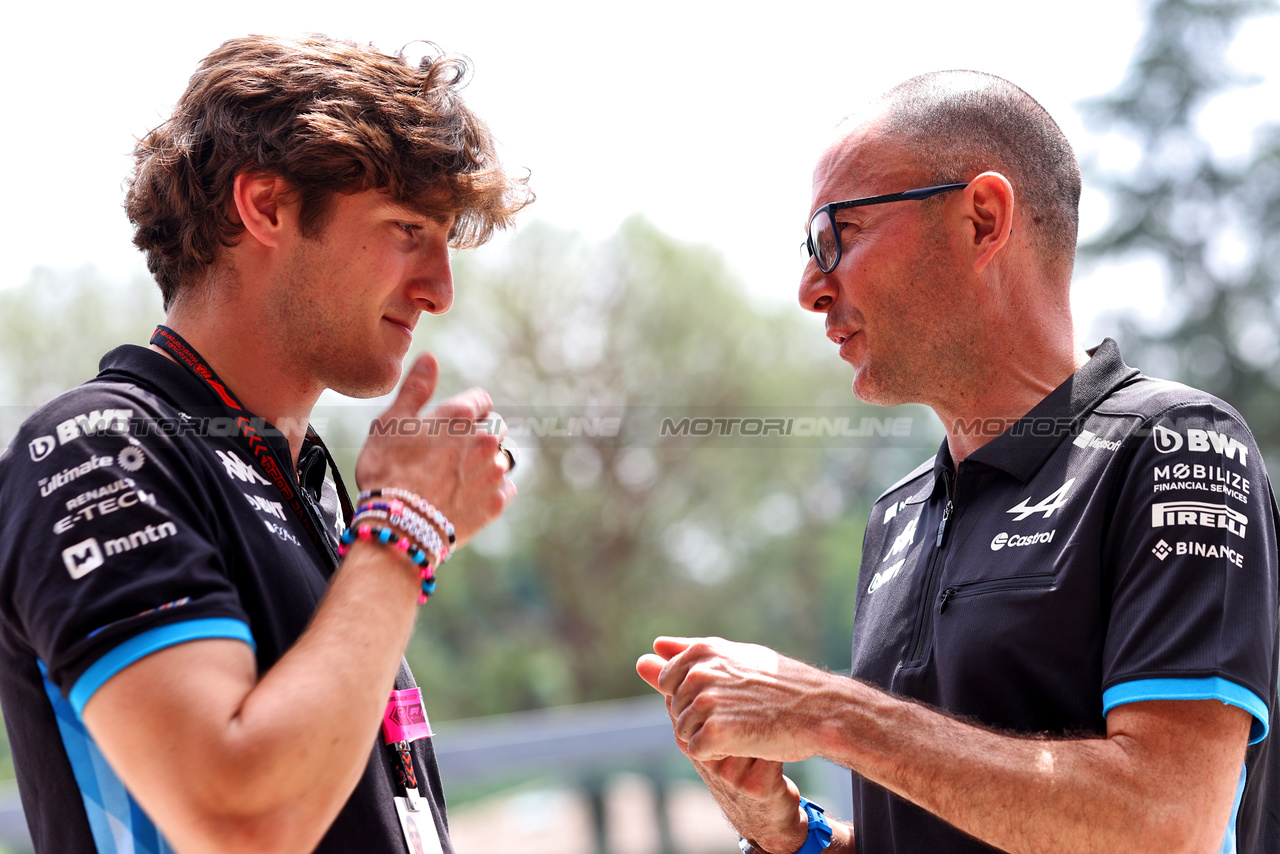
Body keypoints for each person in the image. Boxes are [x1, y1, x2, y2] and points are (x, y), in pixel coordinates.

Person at [638, 71, 1279, 854]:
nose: (811, 286)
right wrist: (788, 835)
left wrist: (828, 714)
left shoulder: (1174, 446)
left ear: (982, 219)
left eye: (837, 234)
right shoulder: (898, 515)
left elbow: (1166, 821)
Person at [0, 34, 531, 854]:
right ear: (266, 207)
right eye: (405, 229)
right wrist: (406, 528)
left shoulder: (303, 479)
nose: (440, 290)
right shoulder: (95, 451)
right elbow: (243, 820)